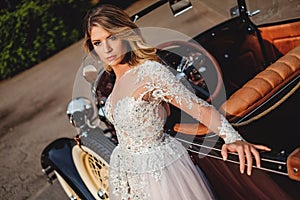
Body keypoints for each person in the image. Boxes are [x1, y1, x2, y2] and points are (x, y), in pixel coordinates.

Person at [83, 4, 271, 200]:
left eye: (112, 37)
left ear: (126, 35)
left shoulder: (150, 72)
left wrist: (233, 138)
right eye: (97, 43)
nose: (106, 49)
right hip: (126, 171)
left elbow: (199, 108)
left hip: (160, 171)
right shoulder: (115, 81)